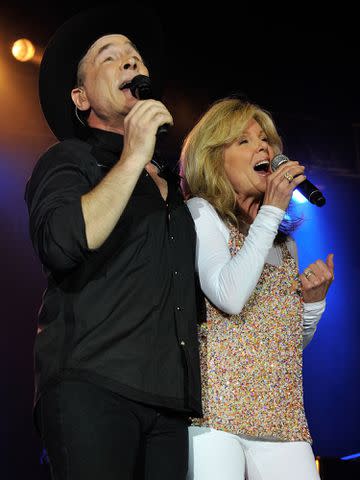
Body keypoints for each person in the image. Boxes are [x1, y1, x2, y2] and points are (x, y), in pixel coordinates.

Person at [24, 5, 202, 480]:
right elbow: (61, 244)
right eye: (110, 56)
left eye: (135, 56)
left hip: (167, 401)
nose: (131, 62)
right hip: (92, 384)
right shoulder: (70, 160)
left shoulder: (173, 187)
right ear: (80, 97)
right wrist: (133, 154)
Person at [180, 96, 334, 480]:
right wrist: (271, 211)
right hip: (217, 414)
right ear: (215, 158)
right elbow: (228, 296)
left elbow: (282, 342)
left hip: (282, 417)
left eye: (265, 139)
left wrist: (313, 305)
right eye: (244, 141)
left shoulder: (284, 244)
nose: (263, 147)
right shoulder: (202, 213)